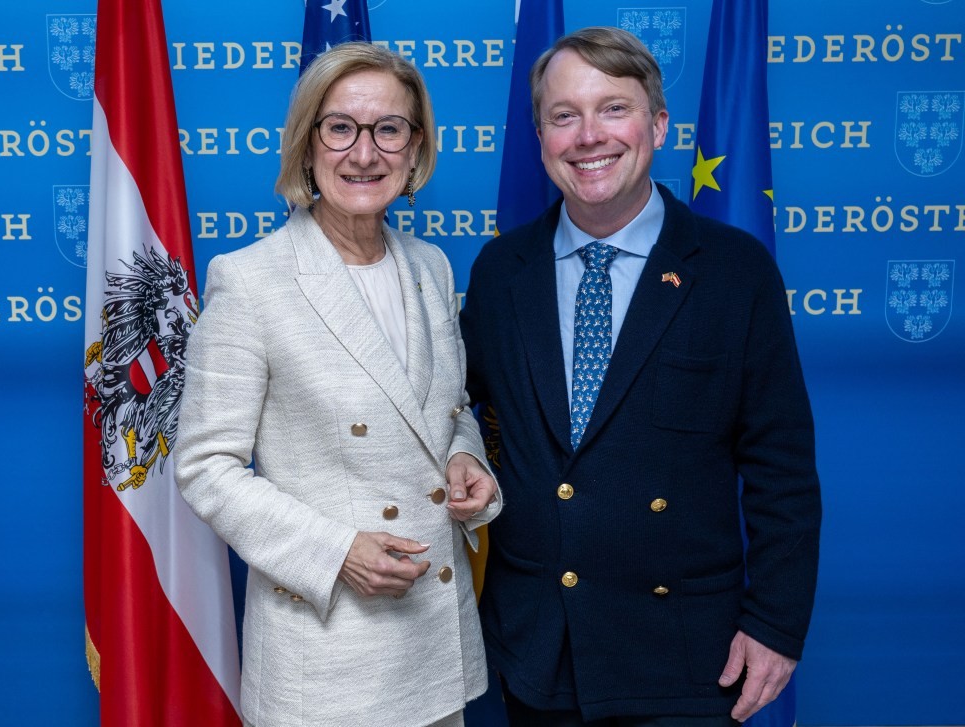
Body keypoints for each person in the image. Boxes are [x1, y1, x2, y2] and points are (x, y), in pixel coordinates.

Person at [460, 26, 822, 726]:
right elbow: (457, 411)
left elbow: (782, 467)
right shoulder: (501, 273)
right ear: (540, 137)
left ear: (658, 124)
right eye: (564, 116)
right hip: (537, 650)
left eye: (613, 109)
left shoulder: (733, 270)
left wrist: (776, 622)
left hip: (686, 655)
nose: (589, 135)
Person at [175, 42, 501, 727]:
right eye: (341, 127)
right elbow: (206, 465)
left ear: (416, 149)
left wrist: (464, 454)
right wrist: (336, 550)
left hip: (436, 647)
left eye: (389, 128)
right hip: (328, 665)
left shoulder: (431, 266)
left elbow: (444, 410)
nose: (364, 153)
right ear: (308, 144)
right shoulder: (252, 280)